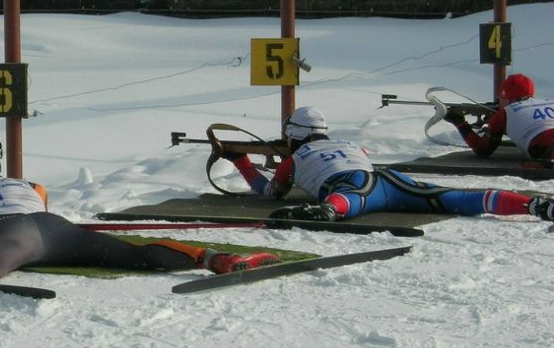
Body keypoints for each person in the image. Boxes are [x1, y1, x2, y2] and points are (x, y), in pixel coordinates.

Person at [0, 131, 280, 283]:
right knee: (135, 254)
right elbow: (34, 204)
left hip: (10, 233)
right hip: (54, 226)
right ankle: (214, 258)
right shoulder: (32, 184)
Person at [223, 107, 554, 222]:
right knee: (457, 198)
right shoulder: (351, 144)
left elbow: (270, 192)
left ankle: (329, 212)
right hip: (386, 178)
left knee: (349, 202)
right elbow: (352, 158)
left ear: (293, 135)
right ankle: (531, 205)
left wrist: (241, 162)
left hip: (352, 187)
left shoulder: (293, 159)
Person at [444, 73, 554, 162]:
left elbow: (482, 150)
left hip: (546, 147)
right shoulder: (550, 102)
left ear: (506, 97)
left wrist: (459, 122)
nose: (498, 101)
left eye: (500, 98)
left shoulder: (505, 113)